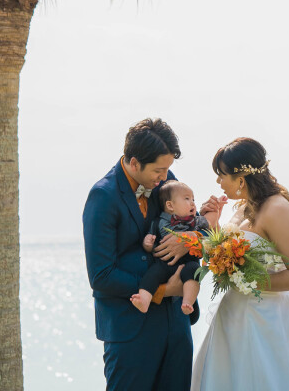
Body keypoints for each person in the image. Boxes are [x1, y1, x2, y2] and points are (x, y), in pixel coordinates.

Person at [192, 137, 289, 391]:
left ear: (241, 178)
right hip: (231, 318)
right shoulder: (241, 208)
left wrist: (247, 280)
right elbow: (214, 262)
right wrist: (211, 222)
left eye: (221, 175)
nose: (217, 182)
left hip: (262, 324)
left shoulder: (277, 209)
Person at [82, 118, 213, 391]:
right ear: (133, 163)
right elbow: (101, 275)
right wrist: (162, 289)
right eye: (158, 170)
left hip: (176, 323)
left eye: (167, 169)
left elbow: (201, 230)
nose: (164, 177)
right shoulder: (103, 196)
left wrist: (190, 241)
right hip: (130, 329)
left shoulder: (168, 182)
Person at [132, 181, 210, 316]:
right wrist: (147, 244)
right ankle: (144, 300)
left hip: (188, 263)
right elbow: (150, 241)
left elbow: (209, 234)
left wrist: (193, 236)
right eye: (187, 199)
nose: (192, 203)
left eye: (193, 199)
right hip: (164, 263)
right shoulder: (157, 222)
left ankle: (187, 302)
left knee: (194, 273)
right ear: (170, 205)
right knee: (152, 274)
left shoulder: (197, 221)